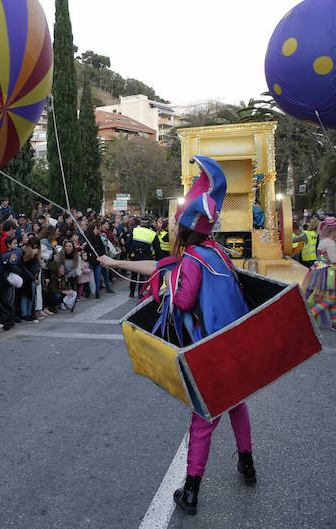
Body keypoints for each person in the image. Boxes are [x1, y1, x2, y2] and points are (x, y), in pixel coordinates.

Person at [100, 156, 256, 515]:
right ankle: (247, 465)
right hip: (236, 344)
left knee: (203, 420)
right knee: (237, 405)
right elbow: (159, 266)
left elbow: (183, 300)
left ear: (184, 230)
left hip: (210, 350)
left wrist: (170, 287)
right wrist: (116, 264)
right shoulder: (217, 253)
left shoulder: (191, 260)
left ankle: (191, 492)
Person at [302, 215, 336, 330]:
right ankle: (308, 316)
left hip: (324, 272)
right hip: (328, 273)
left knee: (334, 299)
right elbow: (334, 259)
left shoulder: (326, 239)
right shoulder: (329, 243)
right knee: (329, 299)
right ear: (332, 231)